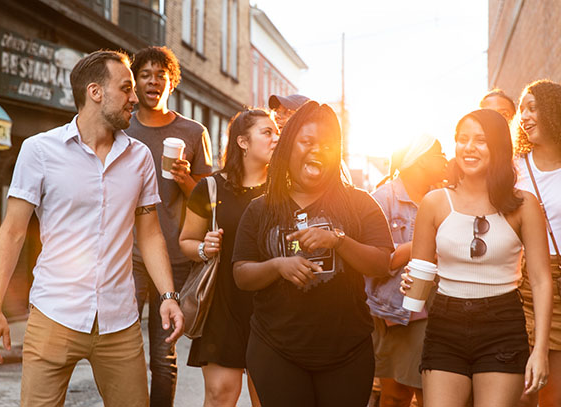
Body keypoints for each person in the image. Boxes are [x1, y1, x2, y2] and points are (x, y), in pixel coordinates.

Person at [0, 50, 184, 407]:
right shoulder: (39, 151)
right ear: (95, 92)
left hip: (120, 322)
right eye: (126, 89)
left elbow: (150, 233)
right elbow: (12, 231)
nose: (135, 98)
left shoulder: (139, 158)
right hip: (54, 314)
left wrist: (167, 295)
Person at [232, 101, 394, 407]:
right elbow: (241, 273)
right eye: (307, 142)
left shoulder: (359, 204)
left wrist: (338, 241)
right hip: (275, 348)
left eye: (327, 144)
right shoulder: (261, 209)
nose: (317, 150)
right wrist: (278, 266)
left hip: (347, 352)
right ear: (289, 148)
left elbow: (381, 264)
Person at [401, 109, 552, 407]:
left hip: (502, 324)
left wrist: (541, 351)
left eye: (480, 140)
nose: (469, 148)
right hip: (445, 322)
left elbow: (541, 280)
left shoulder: (524, 205)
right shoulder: (434, 203)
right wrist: (411, 283)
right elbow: (420, 269)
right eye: (462, 139)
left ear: (498, 147)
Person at [124, 45, 213, 407]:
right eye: (144, 74)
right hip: (126, 254)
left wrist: (185, 179)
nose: (153, 81)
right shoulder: (122, 126)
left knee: (163, 357)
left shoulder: (192, 132)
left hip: (174, 257)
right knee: (122, 348)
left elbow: (208, 200)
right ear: (134, 82)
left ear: (171, 82)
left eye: (161, 75)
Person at [179, 108, 278, 407]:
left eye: (278, 132)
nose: (277, 138)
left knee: (269, 397)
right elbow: (186, 241)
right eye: (268, 132)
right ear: (243, 142)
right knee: (221, 395)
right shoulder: (210, 188)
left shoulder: (284, 191)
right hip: (222, 306)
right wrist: (203, 247)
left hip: (272, 307)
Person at [366, 134, 447, 407]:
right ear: (420, 160)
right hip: (401, 311)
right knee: (397, 394)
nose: (445, 159)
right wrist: (424, 242)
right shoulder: (383, 198)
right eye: (439, 154)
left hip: (443, 308)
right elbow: (377, 261)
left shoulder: (446, 197)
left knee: (433, 395)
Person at [514, 79, 561, 407]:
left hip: (558, 281)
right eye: (522, 110)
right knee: (521, 390)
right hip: (520, 282)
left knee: (552, 392)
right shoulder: (513, 168)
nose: (525, 116)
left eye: (533, 108)